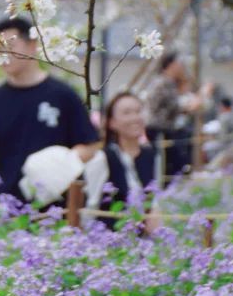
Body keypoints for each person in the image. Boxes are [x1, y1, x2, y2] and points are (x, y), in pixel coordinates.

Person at [0, 16, 99, 203]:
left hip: (59, 208)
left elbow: (90, 144)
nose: (4, 55)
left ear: (32, 45)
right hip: (9, 209)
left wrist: (58, 164)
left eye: (10, 47)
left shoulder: (62, 95)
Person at [83, 91, 160, 214]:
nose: (135, 117)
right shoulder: (102, 158)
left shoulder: (150, 155)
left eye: (138, 111)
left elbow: (153, 204)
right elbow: (89, 209)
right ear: (111, 122)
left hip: (140, 232)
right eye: (127, 113)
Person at [144, 51, 212, 182]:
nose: (181, 67)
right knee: (165, 162)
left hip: (164, 128)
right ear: (171, 65)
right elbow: (176, 106)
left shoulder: (166, 82)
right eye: (179, 63)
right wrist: (197, 101)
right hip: (159, 128)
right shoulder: (164, 82)